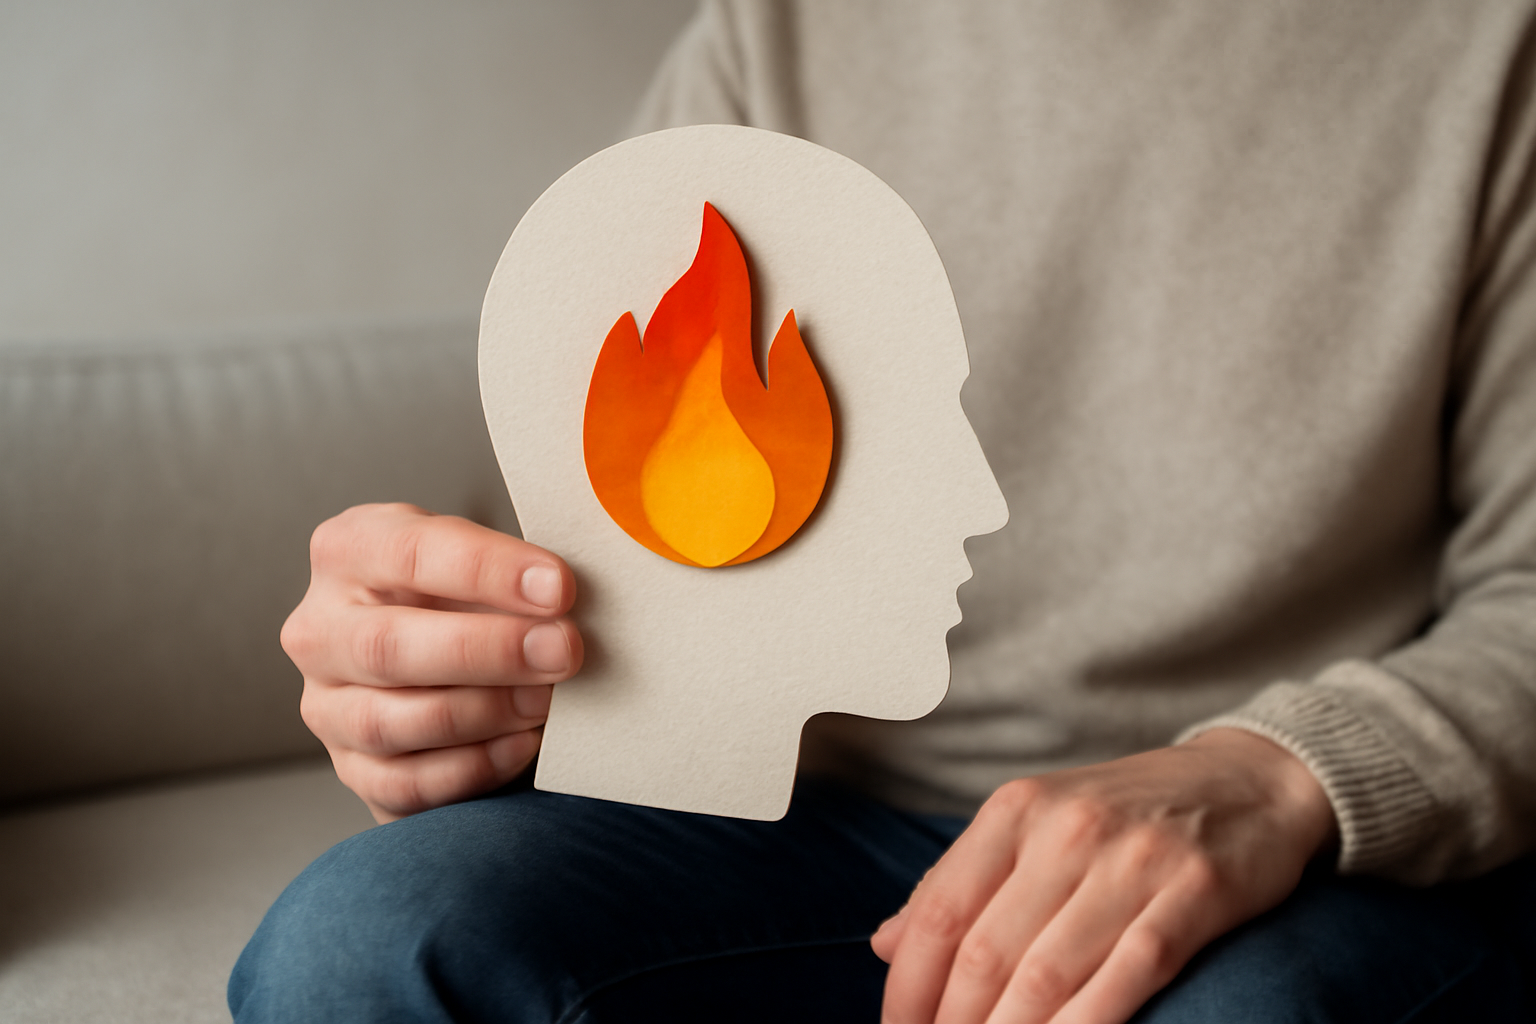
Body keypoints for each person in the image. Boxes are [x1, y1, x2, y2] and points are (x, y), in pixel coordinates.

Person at [230, 3, 1536, 1022]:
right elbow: (649, 546)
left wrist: (1276, 778)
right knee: (365, 941)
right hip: (807, 832)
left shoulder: (1492, 48)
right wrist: (493, 678)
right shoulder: (778, 29)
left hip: (1281, 863)